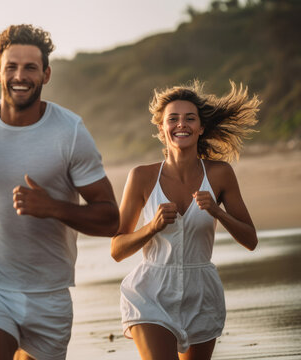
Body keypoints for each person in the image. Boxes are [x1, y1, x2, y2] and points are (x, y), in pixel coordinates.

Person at [0, 24, 119, 360]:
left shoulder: (69, 132)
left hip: (50, 293)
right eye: (12, 66)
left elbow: (109, 218)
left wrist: (54, 207)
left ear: (46, 74)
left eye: (31, 67)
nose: (20, 75)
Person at [110, 81, 260, 360]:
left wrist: (217, 212)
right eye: (173, 119)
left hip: (201, 293)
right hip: (151, 293)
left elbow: (250, 240)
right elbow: (117, 249)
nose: (182, 124)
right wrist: (152, 227)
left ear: (201, 128)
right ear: (161, 128)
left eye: (190, 118)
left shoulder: (220, 174)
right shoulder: (141, 177)